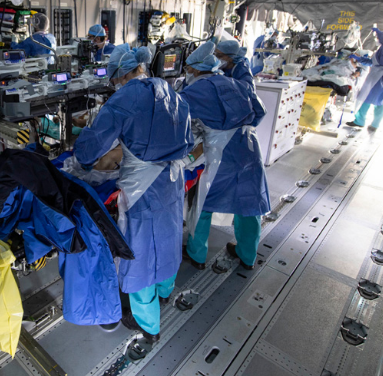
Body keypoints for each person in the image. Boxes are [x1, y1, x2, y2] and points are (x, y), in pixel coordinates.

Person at [74, 44, 193, 342]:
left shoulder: (124, 98)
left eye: (114, 81)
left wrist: (83, 157)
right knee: (167, 240)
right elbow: (186, 140)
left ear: (119, 75)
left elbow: (90, 149)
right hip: (172, 180)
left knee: (141, 255)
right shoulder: (170, 92)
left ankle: (148, 325)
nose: (114, 85)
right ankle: (165, 293)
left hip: (144, 189)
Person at [179, 41, 270, 271]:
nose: (187, 73)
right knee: (249, 204)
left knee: (203, 203)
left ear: (197, 69)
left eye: (188, 69)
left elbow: (174, 117)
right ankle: (247, 255)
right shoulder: (236, 83)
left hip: (221, 153)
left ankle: (197, 254)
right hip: (249, 148)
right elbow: (260, 111)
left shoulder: (196, 90)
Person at [346, 29, 383, 132]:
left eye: (378, 38)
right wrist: (359, 59)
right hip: (377, 75)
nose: (377, 39)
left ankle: (373, 124)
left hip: (381, 77)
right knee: (368, 97)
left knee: (378, 99)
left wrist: (380, 34)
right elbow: (373, 62)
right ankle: (360, 121)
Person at [212, 38, 266, 121]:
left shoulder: (241, 70)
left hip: (239, 115)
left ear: (231, 57)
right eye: (215, 54)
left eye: (220, 55)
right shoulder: (224, 67)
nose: (216, 58)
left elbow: (248, 95)